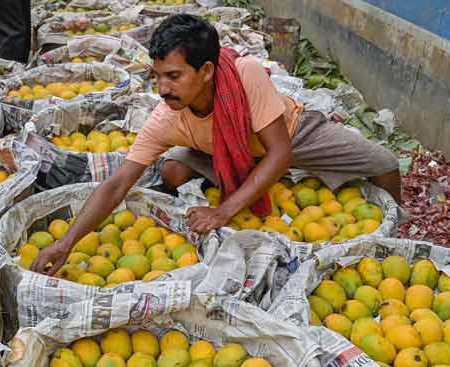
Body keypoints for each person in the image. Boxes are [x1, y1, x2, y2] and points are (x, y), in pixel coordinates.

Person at [32, 14, 401, 276]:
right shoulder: (166, 116)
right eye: (157, 76)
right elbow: (116, 184)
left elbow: (280, 152)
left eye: (174, 76)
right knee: (173, 171)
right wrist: (66, 243)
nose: (162, 89)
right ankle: (234, 171)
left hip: (289, 132)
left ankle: (394, 237)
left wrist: (224, 211)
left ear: (206, 71)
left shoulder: (246, 75)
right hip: (215, 146)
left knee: (384, 163)